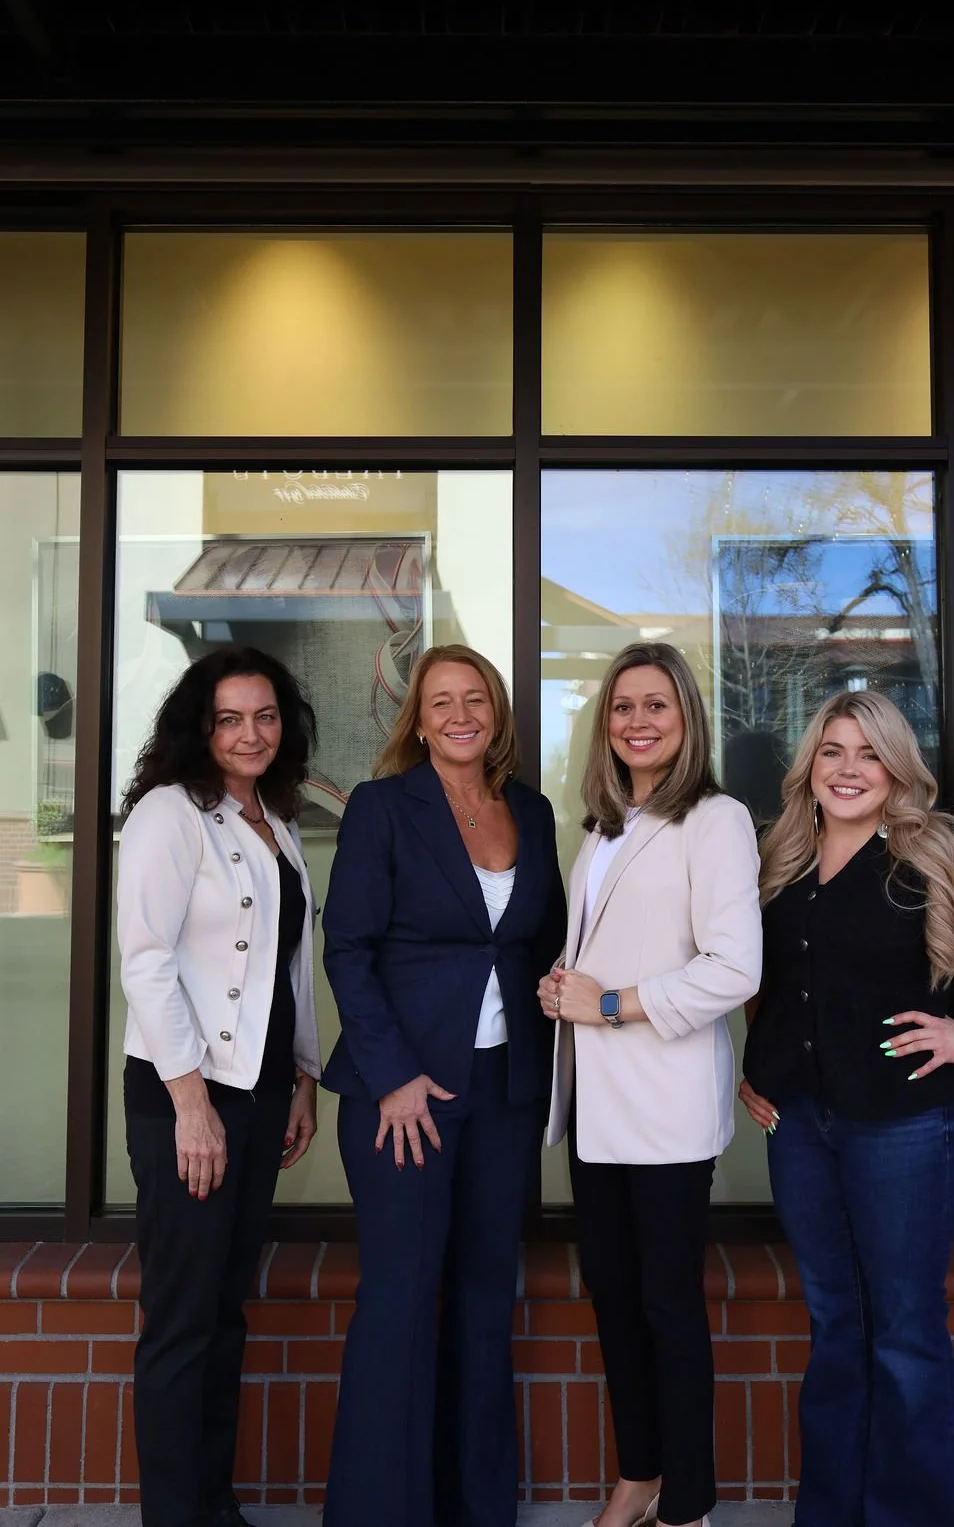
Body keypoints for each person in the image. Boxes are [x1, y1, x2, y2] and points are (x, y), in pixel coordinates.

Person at [740, 689, 954, 1527]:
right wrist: (761, 1062)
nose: (849, 769)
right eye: (833, 750)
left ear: (897, 767)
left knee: (903, 1330)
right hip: (801, 1126)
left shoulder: (937, 850)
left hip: (906, 1126)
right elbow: (761, 977)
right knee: (836, 1322)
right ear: (810, 764)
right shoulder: (778, 854)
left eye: (869, 753)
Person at [320, 644, 566, 1527]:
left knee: (482, 1299)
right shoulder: (383, 807)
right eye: (441, 702)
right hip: (405, 1096)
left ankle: (476, 1508)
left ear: (496, 713)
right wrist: (391, 1077)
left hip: (502, 1089)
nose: (460, 715)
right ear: (418, 722)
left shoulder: (531, 811)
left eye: (475, 699)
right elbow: (347, 949)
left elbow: (543, 942)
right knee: (400, 1302)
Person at [542, 641, 763, 1527]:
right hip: (597, 1106)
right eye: (623, 706)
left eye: (657, 704)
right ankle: (639, 1476)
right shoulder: (606, 824)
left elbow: (734, 969)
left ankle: (688, 1504)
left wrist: (608, 1003)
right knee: (613, 1294)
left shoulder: (716, 819)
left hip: (666, 1107)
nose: (638, 721)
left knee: (668, 1306)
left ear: (686, 719)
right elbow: (612, 945)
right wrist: (566, 983)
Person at [118, 646, 321, 1527]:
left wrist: (305, 1075)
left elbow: (287, 967)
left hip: (262, 1089)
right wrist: (191, 1104)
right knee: (181, 1318)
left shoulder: (275, 817)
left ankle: (213, 1505)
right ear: (200, 728)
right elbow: (146, 961)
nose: (250, 733)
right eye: (229, 718)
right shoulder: (170, 812)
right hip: (186, 1095)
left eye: (265, 716)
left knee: (224, 1310)